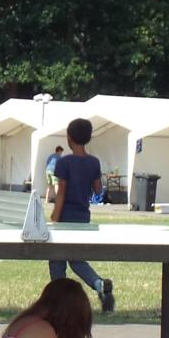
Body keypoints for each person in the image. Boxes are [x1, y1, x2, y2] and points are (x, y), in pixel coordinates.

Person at [49, 119, 115, 312]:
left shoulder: (64, 162)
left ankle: (58, 299)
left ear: (69, 138)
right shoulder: (93, 162)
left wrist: (55, 217)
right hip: (83, 216)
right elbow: (98, 189)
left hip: (65, 215)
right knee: (77, 259)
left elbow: (61, 192)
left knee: (56, 259)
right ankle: (99, 284)